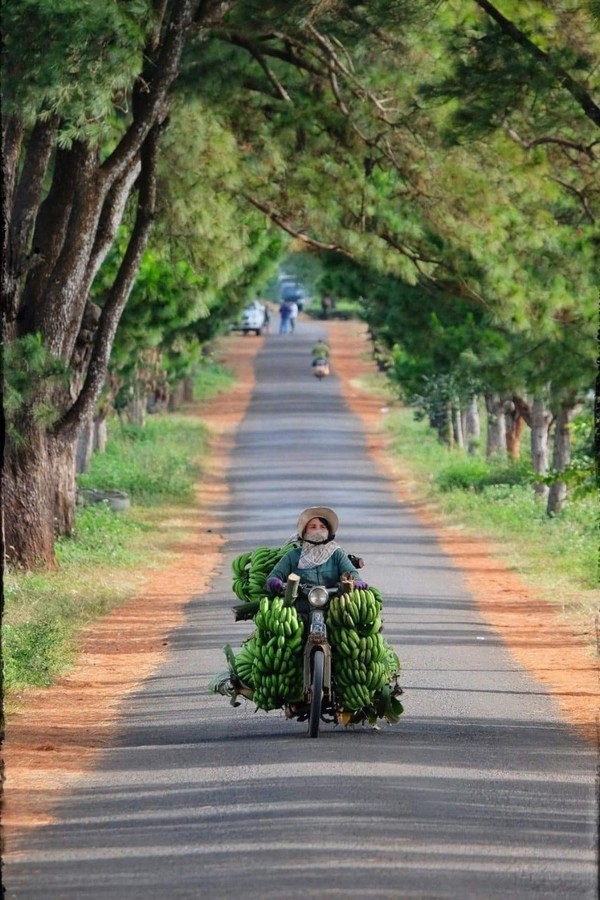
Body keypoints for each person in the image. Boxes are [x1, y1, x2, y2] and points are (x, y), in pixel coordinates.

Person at [265, 507, 368, 615]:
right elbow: (275, 575)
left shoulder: (337, 554)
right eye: (313, 527)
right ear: (305, 531)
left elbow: (351, 572)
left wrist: (357, 582)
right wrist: (275, 582)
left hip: (334, 606)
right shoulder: (293, 556)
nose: (318, 530)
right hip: (299, 608)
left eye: (322, 527)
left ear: (329, 532)